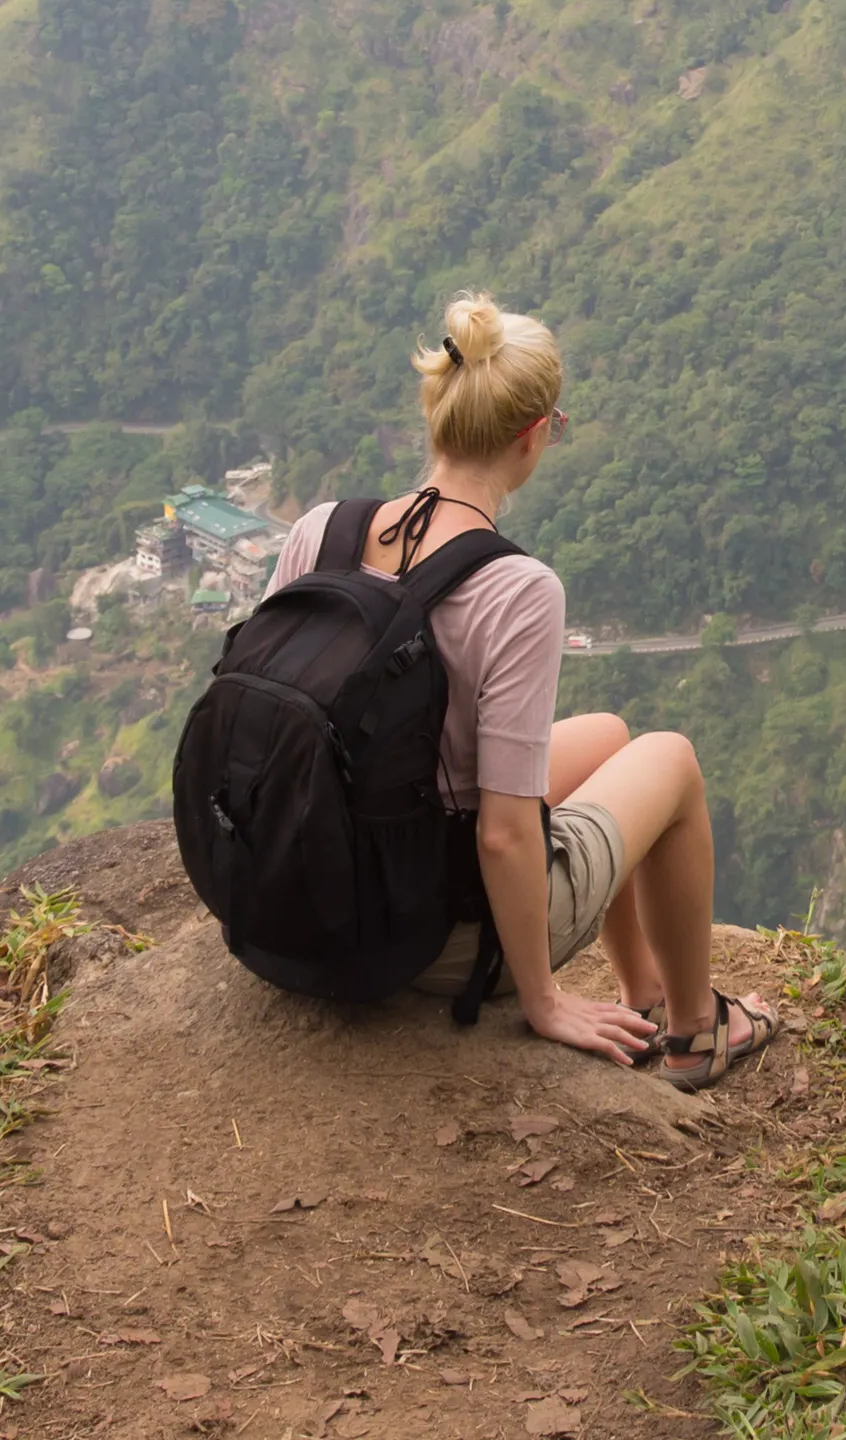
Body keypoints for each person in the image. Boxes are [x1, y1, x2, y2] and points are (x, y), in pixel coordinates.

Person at [256, 292, 779, 1089]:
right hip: (435, 935)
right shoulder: (517, 589)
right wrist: (542, 1000)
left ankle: (640, 990)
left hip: (315, 889)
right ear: (533, 437)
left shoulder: (317, 530)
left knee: (608, 733)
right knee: (670, 759)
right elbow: (503, 835)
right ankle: (694, 1033)